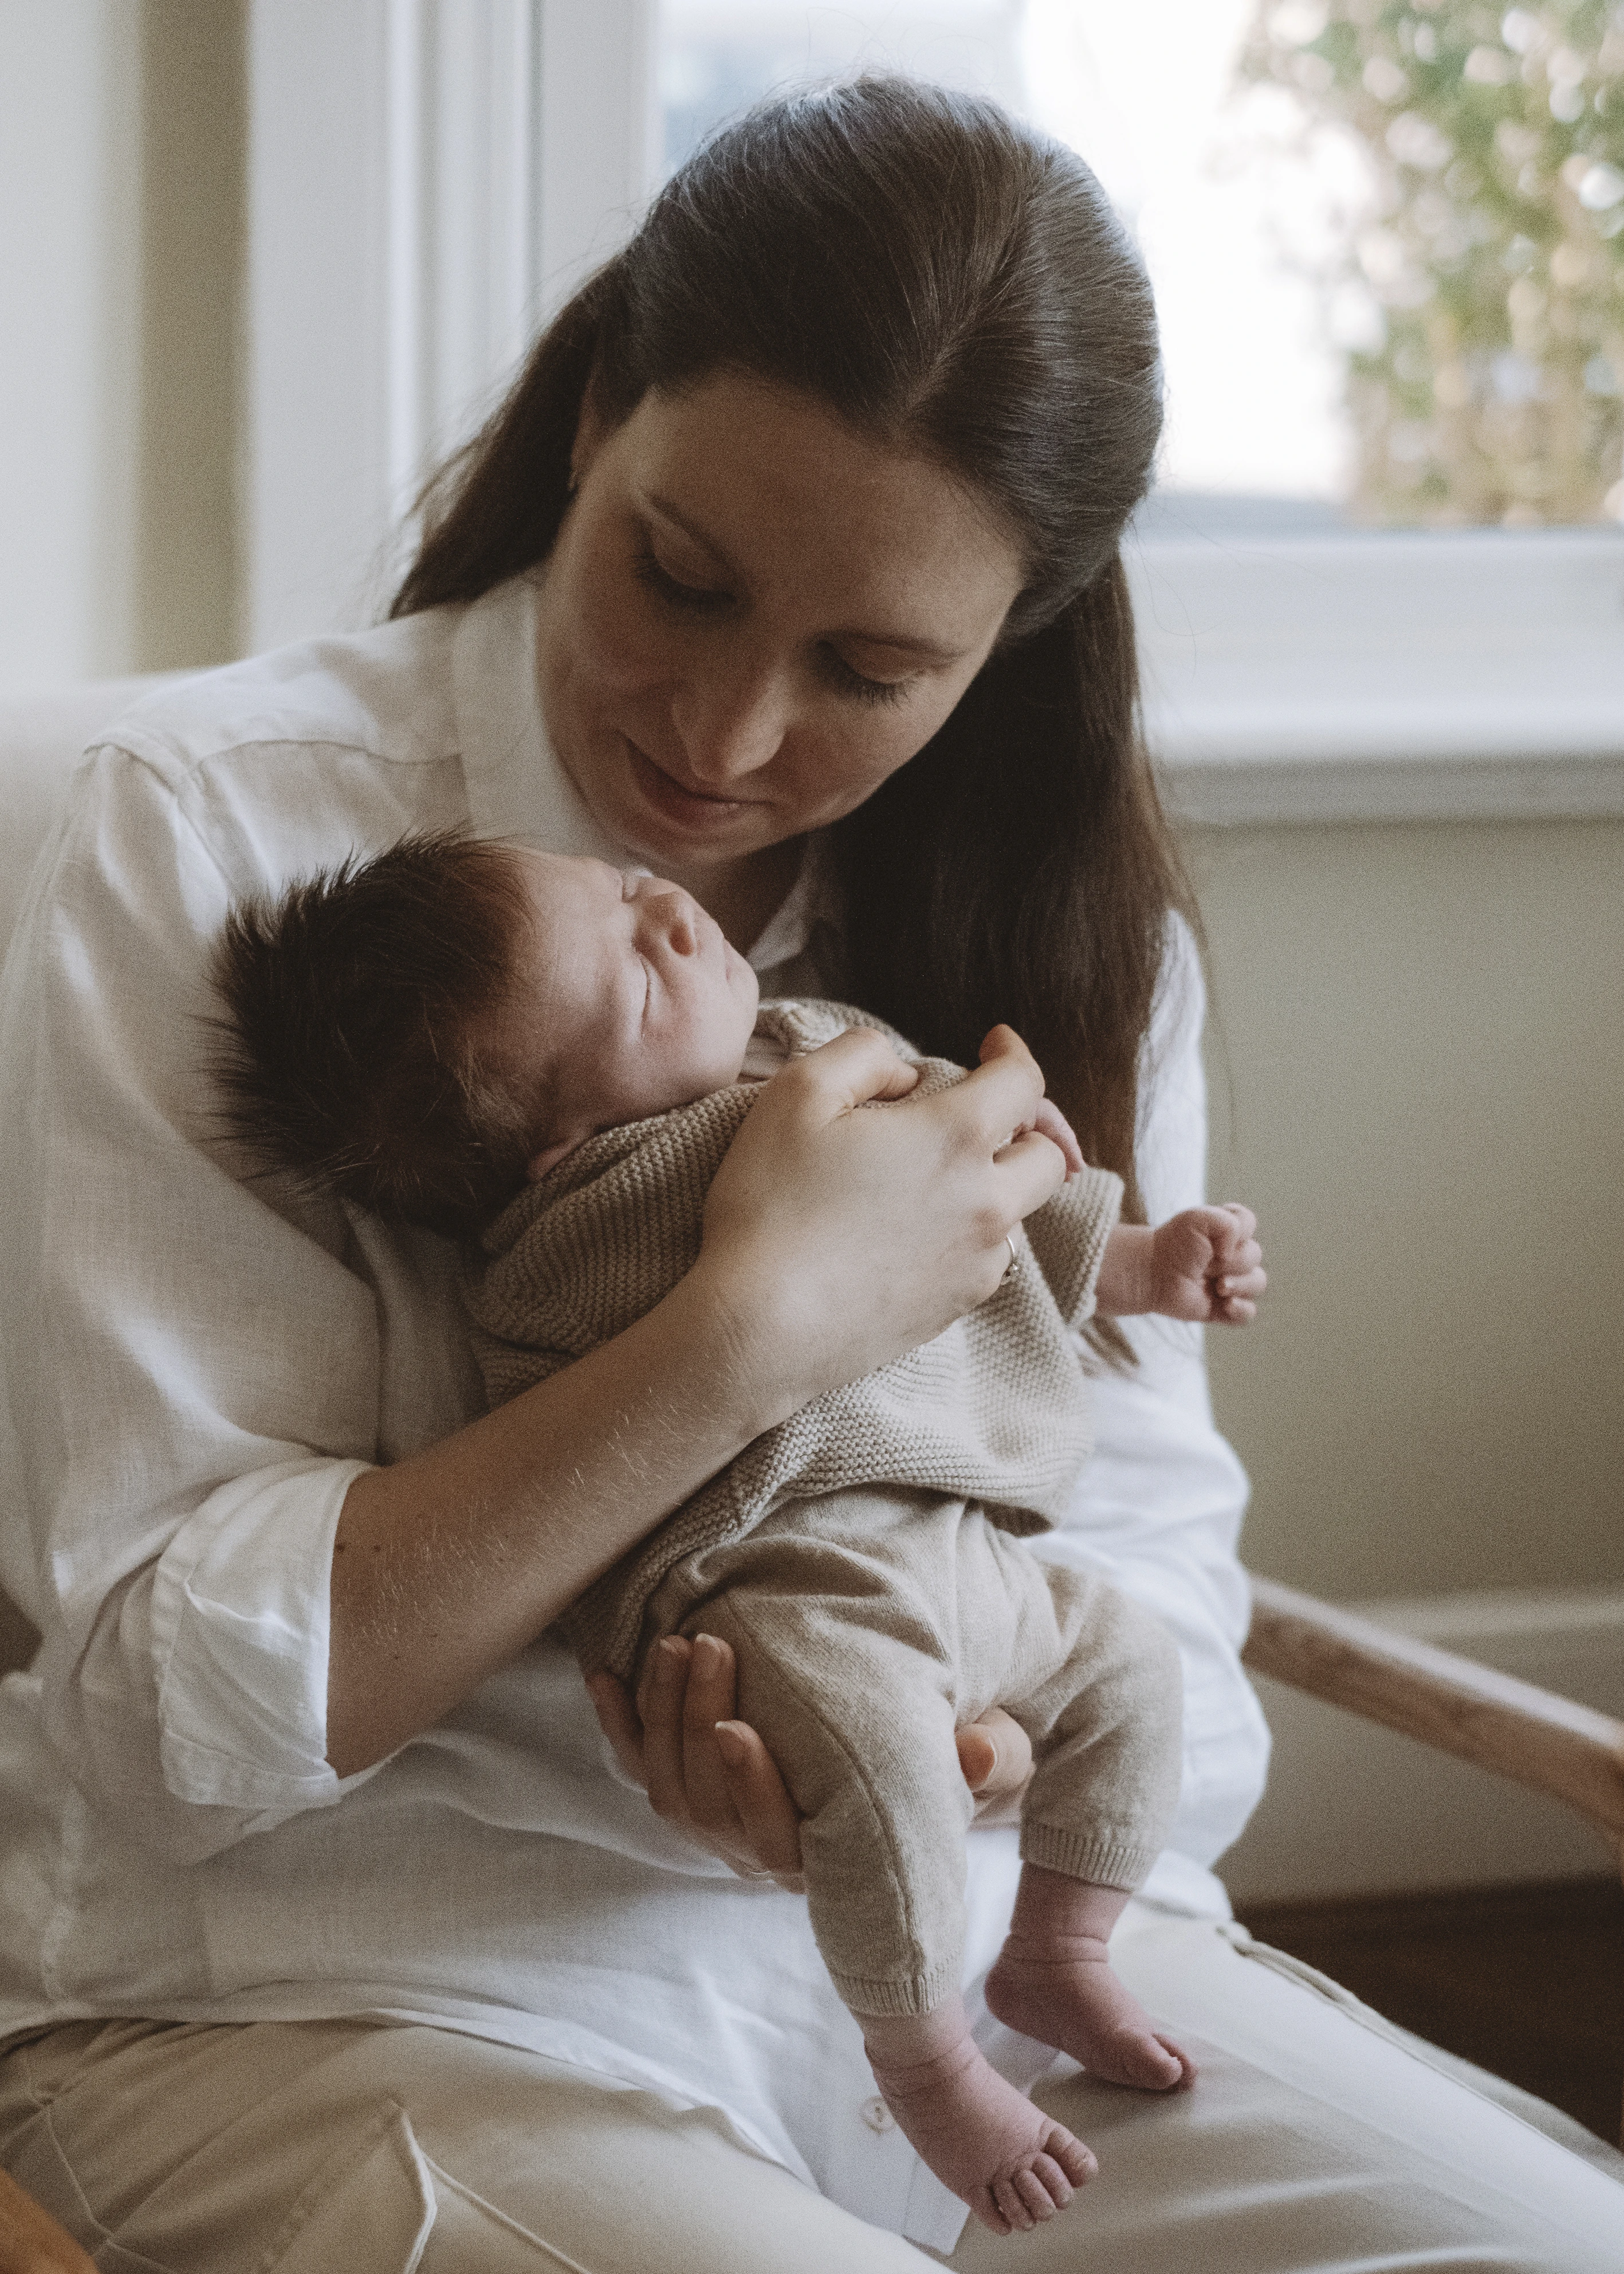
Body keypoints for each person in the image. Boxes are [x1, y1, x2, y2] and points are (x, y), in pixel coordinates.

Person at [0, 74, 1619, 2274]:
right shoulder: (200, 846)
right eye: (678, 576)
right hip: (362, 1985)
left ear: (1012, 636)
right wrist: (749, 1323)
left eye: (870, 668)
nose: (726, 735)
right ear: (592, 420)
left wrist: (934, 1755)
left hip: (981, 1963)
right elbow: (164, 1724)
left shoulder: (1062, 943)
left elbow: (1151, 1574)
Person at [208, 829, 1267, 2229]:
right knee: (882, 1767)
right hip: (786, 1582)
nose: (670, 918)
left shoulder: (815, 1046)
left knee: (1131, 1661)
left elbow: (992, 1218)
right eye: (636, 981)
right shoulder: (571, 1232)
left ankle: (1059, 1946)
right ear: (560, 1146)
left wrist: (1139, 1262)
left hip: (964, 1545)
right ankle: (926, 2053)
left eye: (628, 889)